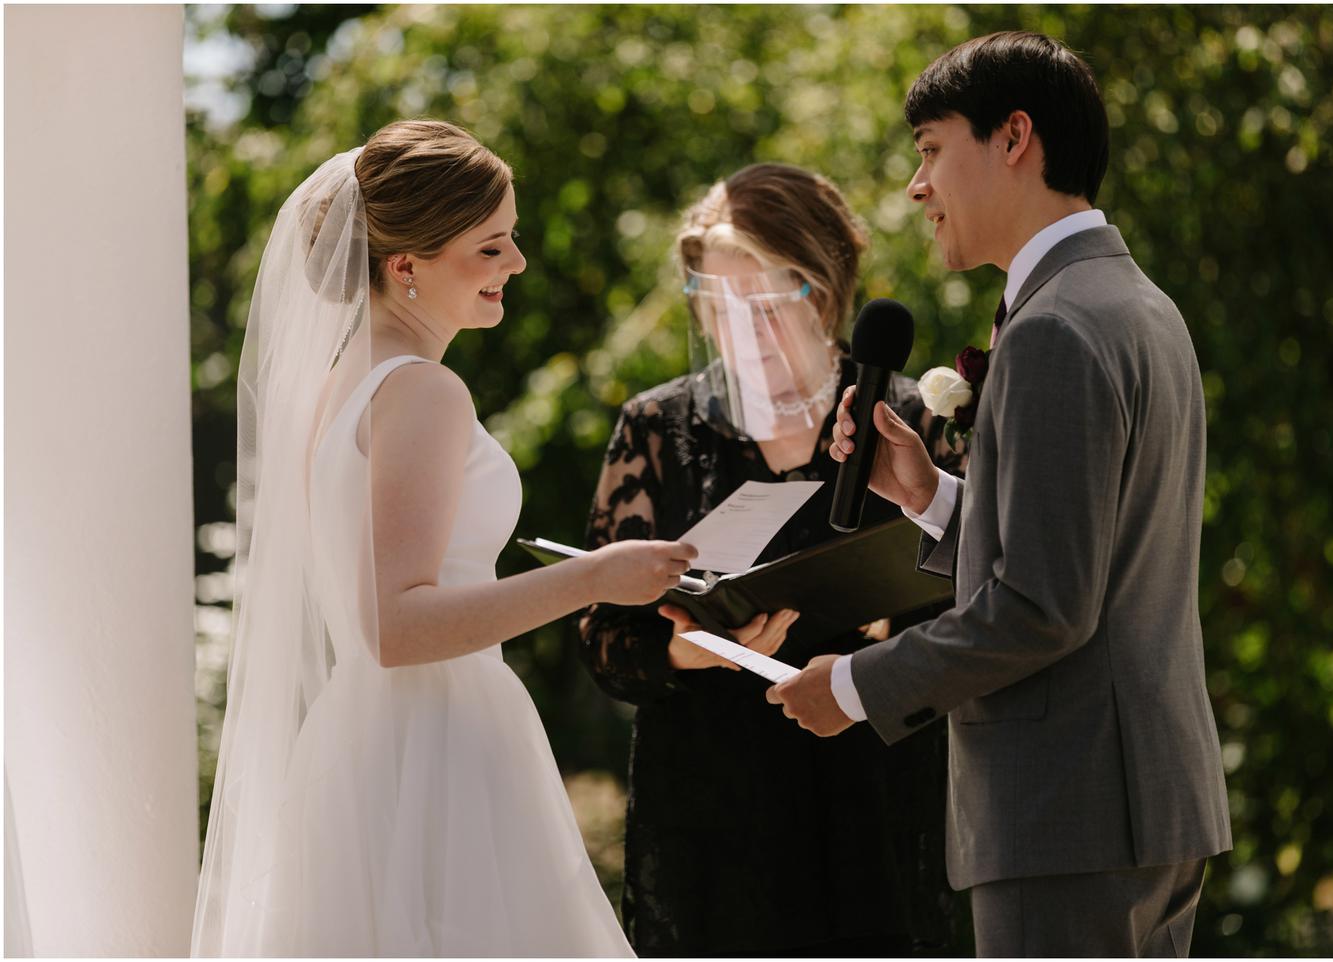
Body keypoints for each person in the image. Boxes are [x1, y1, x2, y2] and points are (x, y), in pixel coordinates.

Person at [769, 32, 1232, 957]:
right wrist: (933, 495)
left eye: (932, 150)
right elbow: (1086, 552)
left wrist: (854, 686)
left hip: (1069, 816)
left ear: (1014, 136)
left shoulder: (1056, 327)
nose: (917, 186)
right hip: (1143, 806)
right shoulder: (1134, 301)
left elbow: (1043, 607)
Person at [192, 119, 696, 956]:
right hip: (436, 739)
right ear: (407, 265)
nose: (518, 265)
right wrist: (595, 578)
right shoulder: (423, 392)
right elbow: (399, 625)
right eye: (491, 248)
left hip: (364, 739)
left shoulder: (338, 385)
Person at [578, 163, 963, 956]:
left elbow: (988, 603)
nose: (740, 329)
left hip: (883, 803)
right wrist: (691, 649)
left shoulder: (910, 420)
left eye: (764, 304)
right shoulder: (657, 429)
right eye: (716, 306)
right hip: (715, 823)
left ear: (823, 294)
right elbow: (601, 639)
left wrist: (890, 618)